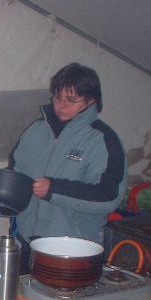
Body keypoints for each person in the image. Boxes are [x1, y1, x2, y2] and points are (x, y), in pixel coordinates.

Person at [8, 62, 127, 273]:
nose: (61, 105)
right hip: (27, 241)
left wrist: (53, 190)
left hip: (73, 248)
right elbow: (15, 172)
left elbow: (108, 197)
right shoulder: (35, 131)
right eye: (58, 97)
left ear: (90, 101)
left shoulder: (102, 140)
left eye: (71, 100)